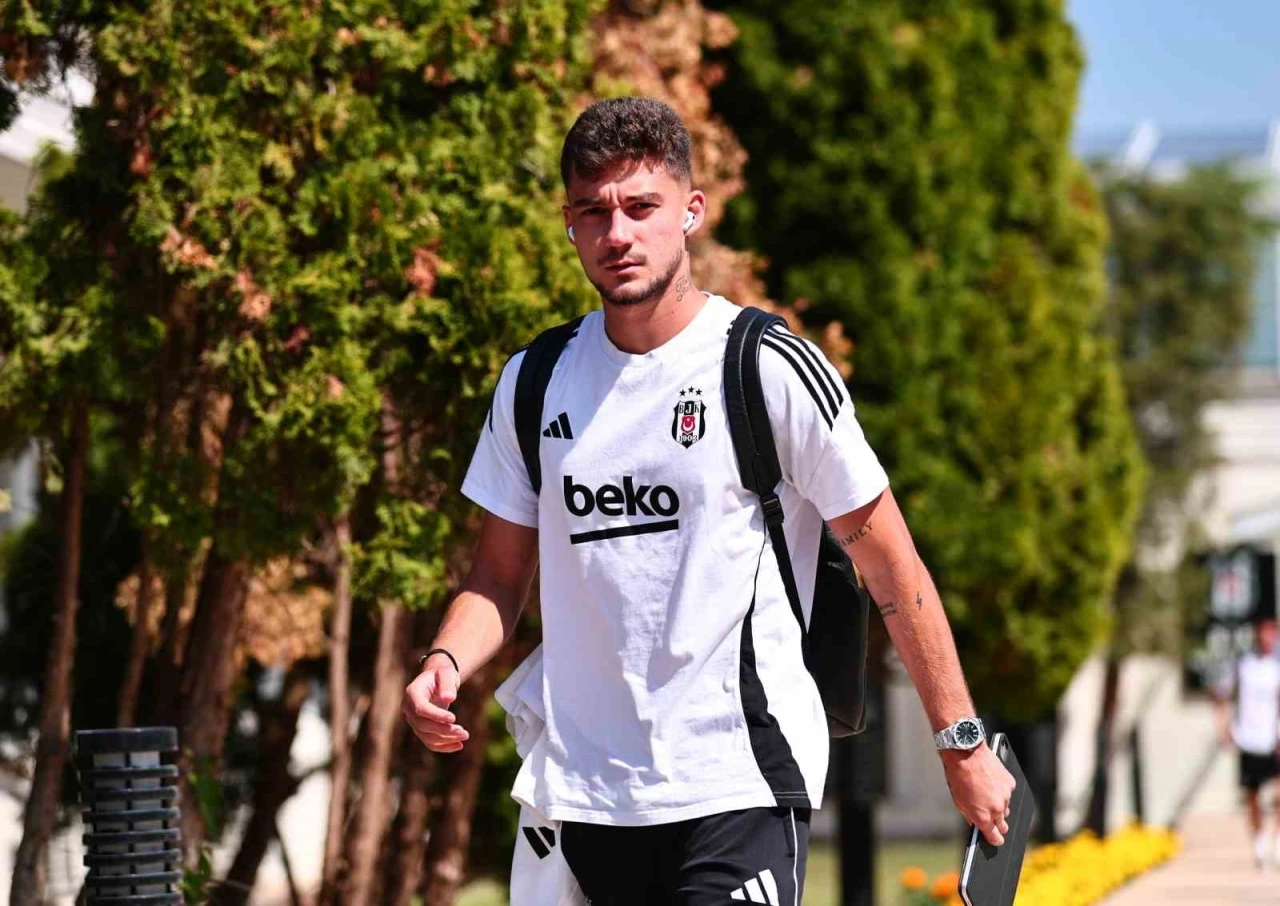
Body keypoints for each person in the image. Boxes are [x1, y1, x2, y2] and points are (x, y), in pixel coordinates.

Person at [402, 96, 1015, 905]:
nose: (617, 233)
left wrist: (961, 743)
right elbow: (498, 577)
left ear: (690, 211)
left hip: (737, 781)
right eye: (593, 212)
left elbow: (892, 566)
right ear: (569, 224)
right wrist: (443, 662)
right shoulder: (535, 382)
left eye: (641, 207)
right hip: (584, 795)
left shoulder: (764, 367)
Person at [1216, 618, 1280, 869]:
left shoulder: (1277, 666)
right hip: (1249, 739)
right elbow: (1222, 694)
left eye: (1272, 633)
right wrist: (1224, 727)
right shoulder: (1243, 664)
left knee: (1278, 792)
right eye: (1265, 632)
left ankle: (1277, 840)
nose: (1268, 638)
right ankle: (1259, 840)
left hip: (1273, 739)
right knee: (1252, 795)